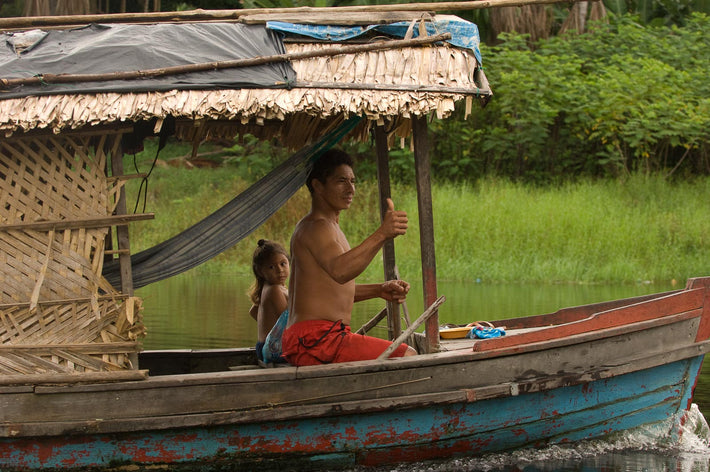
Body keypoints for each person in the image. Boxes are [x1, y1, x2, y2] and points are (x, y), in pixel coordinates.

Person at [281, 149, 417, 366]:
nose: (350, 188)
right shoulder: (316, 227)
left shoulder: (330, 226)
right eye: (341, 181)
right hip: (315, 340)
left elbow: (333, 289)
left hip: (318, 338)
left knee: (402, 353)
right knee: (407, 355)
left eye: (353, 181)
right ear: (317, 185)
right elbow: (341, 271)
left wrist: (379, 290)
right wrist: (382, 233)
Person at [248, 239, 290, 364]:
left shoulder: (268, 287)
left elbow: (253, 311)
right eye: (271, 267)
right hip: (273, 349)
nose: (279, 270)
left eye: (283, 264)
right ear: (260, 271)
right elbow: (288, 321)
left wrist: (268, 325)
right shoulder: (274, 290)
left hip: (264, 346)